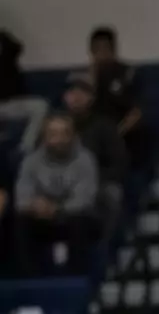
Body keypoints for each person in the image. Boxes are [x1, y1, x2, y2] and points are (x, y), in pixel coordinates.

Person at [12, 112, 101, 276]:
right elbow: (21, 199)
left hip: (73, 217)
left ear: (72, 135)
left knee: (81, 222)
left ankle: (76, 281)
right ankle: (29, 281)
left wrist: (57, 208)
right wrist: (35, 206)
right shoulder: (31, 161)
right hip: (41, 218)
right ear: (44, 136)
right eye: (53, 133)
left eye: (64, 133)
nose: (58, 139)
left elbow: (84, 199)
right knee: (20, 223)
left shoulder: (85, 159)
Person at [60, 71, 128, 219]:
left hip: (97, 184)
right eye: (72, 91)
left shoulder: (104, 126)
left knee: (112, 193)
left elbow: (118, 164)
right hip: (60, 184)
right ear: (64, 96)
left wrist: (91, 181)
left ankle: (105, 241)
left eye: (83, 91)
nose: (77, 96)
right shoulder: (54, 126)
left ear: (92, 98)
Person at [87, 26, 148, 169]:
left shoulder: (128, 74)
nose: (101, 54)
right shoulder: (86, 78)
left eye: (105, 49)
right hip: (94, 136)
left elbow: (137, 113)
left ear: (113, 49)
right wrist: (91, 81)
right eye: (96, 49)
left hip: (122, 135)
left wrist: (116, 134)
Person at [0, 29, 48, 159]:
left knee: (40, 106)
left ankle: (25, 148)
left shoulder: (8, 58)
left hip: (12, 103)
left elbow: (17, 47)